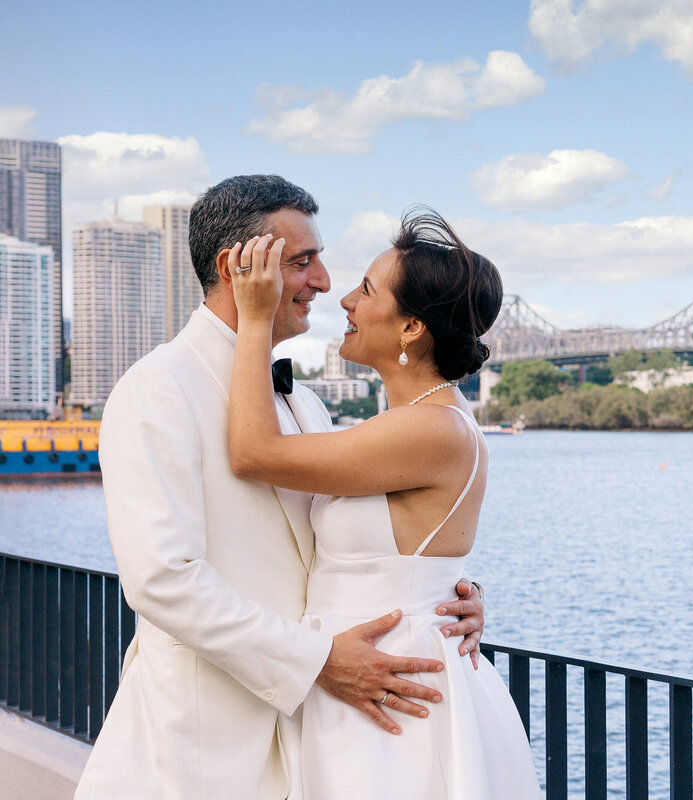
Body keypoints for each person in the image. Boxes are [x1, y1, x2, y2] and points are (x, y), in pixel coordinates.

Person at [76, 176, 485, 799]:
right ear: (235, 268)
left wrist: (444, 599)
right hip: (199, 747)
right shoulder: (157, 387)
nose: (323, 281)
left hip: (321, 740)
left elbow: (357, 539)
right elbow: (161, 579)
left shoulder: (306, 404)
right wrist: (316, 660)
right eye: (301, 261)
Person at [225, 208, 540, 798]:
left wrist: (255, 319)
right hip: (366, 674)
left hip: (390, 691)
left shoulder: (431, 428)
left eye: (367, 290)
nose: (345, 300)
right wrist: (456, 590)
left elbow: (251, 452)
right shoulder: (418, 422)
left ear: (411, 327)